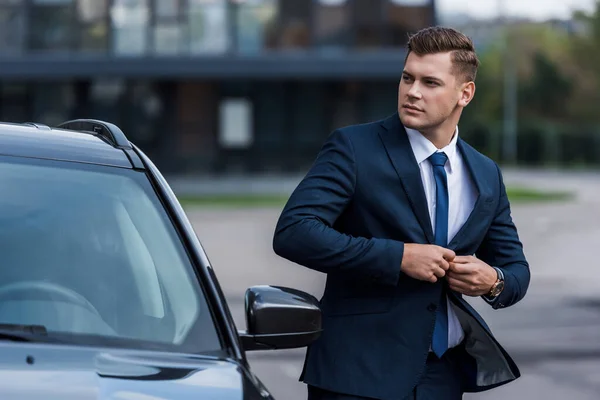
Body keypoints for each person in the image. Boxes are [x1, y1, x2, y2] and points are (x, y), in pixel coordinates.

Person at [272, 26, 531, 400]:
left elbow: (516, 271)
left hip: (444, 376)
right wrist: (399, 257)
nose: (412, 91)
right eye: (407, 78)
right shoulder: (354, 148)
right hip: (357, 374)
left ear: (465, 93)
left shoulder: (485, 173)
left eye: (430, 82)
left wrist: (493, 280)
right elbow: (295, 231)